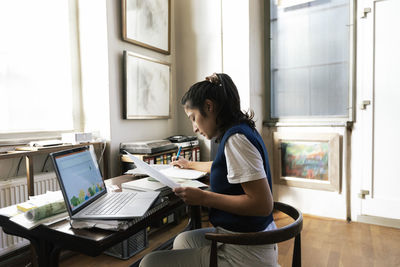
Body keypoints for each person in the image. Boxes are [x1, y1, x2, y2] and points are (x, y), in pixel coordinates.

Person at [139, 73, 278, 267]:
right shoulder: (240, 129)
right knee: (183, 240)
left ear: (209, 106)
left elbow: (262, 204)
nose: (194, 128)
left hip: (246, 251)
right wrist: (189, 165)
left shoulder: (236, 140)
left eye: (193, 118)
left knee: (149, 262)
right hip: (252, 236)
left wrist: (204, 197)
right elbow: (228, 167)